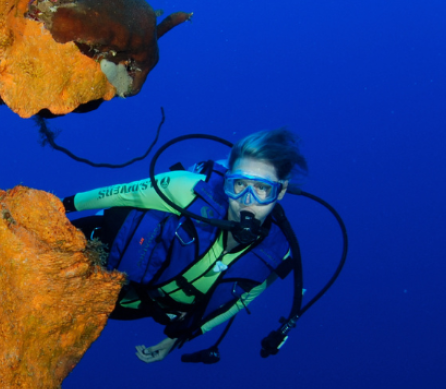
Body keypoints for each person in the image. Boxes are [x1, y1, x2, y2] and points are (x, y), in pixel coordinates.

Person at [63, 128, 307, 363]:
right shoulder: (186, 188)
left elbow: (235, 302)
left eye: (263, 189)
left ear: (281, 190)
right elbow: (118, 194)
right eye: (239, 184)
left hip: (132, 305)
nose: (247, 200)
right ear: (227, 181)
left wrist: (178, 338)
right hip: (92, 249)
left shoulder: (276, 255)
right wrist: (58, 208)